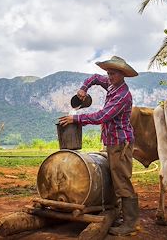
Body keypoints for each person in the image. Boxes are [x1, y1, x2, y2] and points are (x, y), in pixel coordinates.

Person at [59, 56, 139, 236]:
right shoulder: (111, 85)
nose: (109, 76)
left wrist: (76, 118)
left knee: (122, 180)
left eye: (113, 74)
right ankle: (122, 215)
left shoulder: (122, 96)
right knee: (114, 177)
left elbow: (102, 116)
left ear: (122, 74)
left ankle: (130, 223)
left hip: (120, 143)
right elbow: (95, 77)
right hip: (112, 140)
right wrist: (83, 88)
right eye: (108, 73)